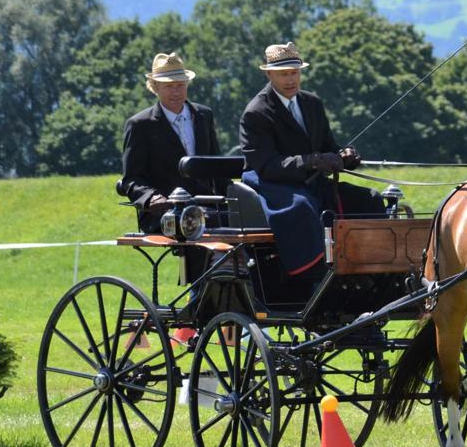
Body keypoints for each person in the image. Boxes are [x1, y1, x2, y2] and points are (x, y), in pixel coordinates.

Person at [239, 41, 383, 278]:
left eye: (294, 73)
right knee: (302, 207)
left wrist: (345, 156)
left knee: (370, 200)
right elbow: (267, 166)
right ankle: (315, 275)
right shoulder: (256, 112)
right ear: (269, 74)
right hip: (274, 187)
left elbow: (328, 146)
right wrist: (313, 161)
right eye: (283, 74)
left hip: (313, 184)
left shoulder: (312, 103)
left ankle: (374, 269)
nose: (290, 80)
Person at [121, 51, 227, 233]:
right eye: (169, 86)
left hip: (209, 209)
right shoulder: (140, 125)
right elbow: (131, 179)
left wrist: (234, 199)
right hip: (165, 213)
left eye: (180, 85)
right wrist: (152, 198)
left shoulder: (203, 116)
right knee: (196, 227)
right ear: (155, 87)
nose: (176, 92)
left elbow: (216, 167)